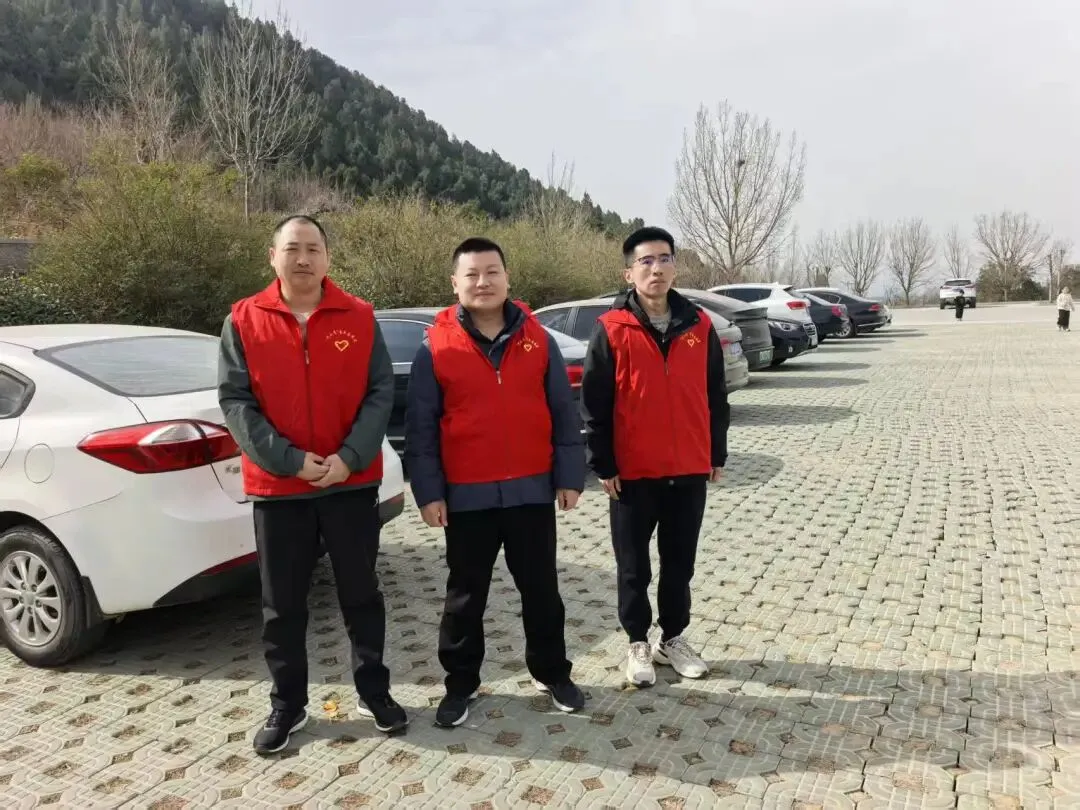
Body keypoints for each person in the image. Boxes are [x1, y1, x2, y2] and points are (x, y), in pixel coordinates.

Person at [218, 214, 407, 755]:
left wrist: (350, 457)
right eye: (292, 248)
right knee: (282, 605)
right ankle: (288, 703)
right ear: (272, 256)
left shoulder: (359, 315)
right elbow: (236, 401)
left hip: (350, 485)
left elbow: (380, 391)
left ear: (327, 257)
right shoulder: (243, 320)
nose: (303, 258)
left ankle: (374, 690)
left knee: (361, 594)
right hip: (280, 490)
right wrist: (290, 461)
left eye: (313, 249)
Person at [405, 237, 586, 728]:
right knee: (465, 598)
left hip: (531, 491)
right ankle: (460, 683)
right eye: (472, 274)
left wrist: (569, 476)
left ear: (507, 278)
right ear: (455, 283)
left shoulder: (539, 341)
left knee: (542, 591)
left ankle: (553, 673)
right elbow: (421, 430)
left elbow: (563, 413)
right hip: (467, 497)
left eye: (491, 272)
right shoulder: (435, 348)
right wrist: (429, 493)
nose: (482, 282)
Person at [580, 226, 729, 688]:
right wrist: (603, 464)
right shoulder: (611, 329)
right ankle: (637, 643)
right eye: (645, 261)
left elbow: (715, 395)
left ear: (675, 268)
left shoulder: (699, 326)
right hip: (633, 473)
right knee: (633, 567)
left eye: (664, 259)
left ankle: (673, 639)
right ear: (629, 273)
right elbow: (594, 403)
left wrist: (716, 451)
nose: (656, 268)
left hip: (688, 469)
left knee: (679, 564)